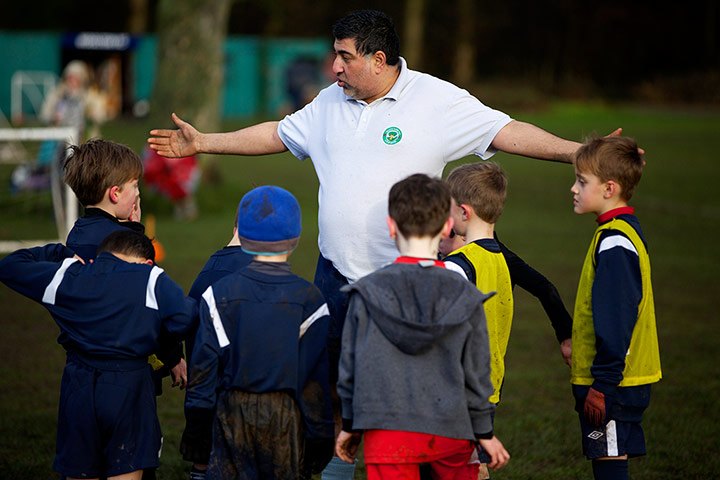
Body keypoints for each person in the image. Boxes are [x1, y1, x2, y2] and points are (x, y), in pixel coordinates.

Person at [147, 9, 623, 475]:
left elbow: (506, 130)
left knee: (408, 398)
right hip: (335, 277)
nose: (334, 67)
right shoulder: (328, 102)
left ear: (379, 59)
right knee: (332, 393)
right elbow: (277, 133)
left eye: (344, 57)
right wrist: (204, 142)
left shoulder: (437, 100)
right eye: (334, 55)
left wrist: (576, 152)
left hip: (408, 284)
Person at [335, 174, 510, 479]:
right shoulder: (466, 294)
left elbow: (351, 368)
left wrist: (349, 425)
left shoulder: (366, 293)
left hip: (387, 433)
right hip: (453, 428)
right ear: (446, 226)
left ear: (391, 227)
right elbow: (477, 371)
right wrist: (484, 431)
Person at [0, 230, 197, 480]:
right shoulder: (150, 277)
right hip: (129, 386)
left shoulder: (70, 274)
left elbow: (9, 266)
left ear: (102, 256)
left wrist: (61, 252)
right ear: (148, 262)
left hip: (78, 386)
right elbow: (187, 319)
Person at [183, 185, 335, 480]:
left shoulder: (218, 294)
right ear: (296, 238)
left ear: (241, 234)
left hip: (230, 412)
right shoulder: (311, 300)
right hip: (285, 417)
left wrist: (197, 432)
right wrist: (320, 435)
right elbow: (315, 384)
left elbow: (202, 373)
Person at [569, 136, 661, 480]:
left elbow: (618, 316)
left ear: (609, 188)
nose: (574, 189)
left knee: (609, 465)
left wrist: (603, 384)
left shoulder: (615, 241)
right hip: (617, 379)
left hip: (613, 383)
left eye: (582, 181)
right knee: (610, 456)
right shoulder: (618, 231)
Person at [180, 201, 253, 480]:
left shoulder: (208, 268)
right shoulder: (259, 273)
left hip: (202, 398)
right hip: (247, 401)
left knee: (205, 462)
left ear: (234, 228)